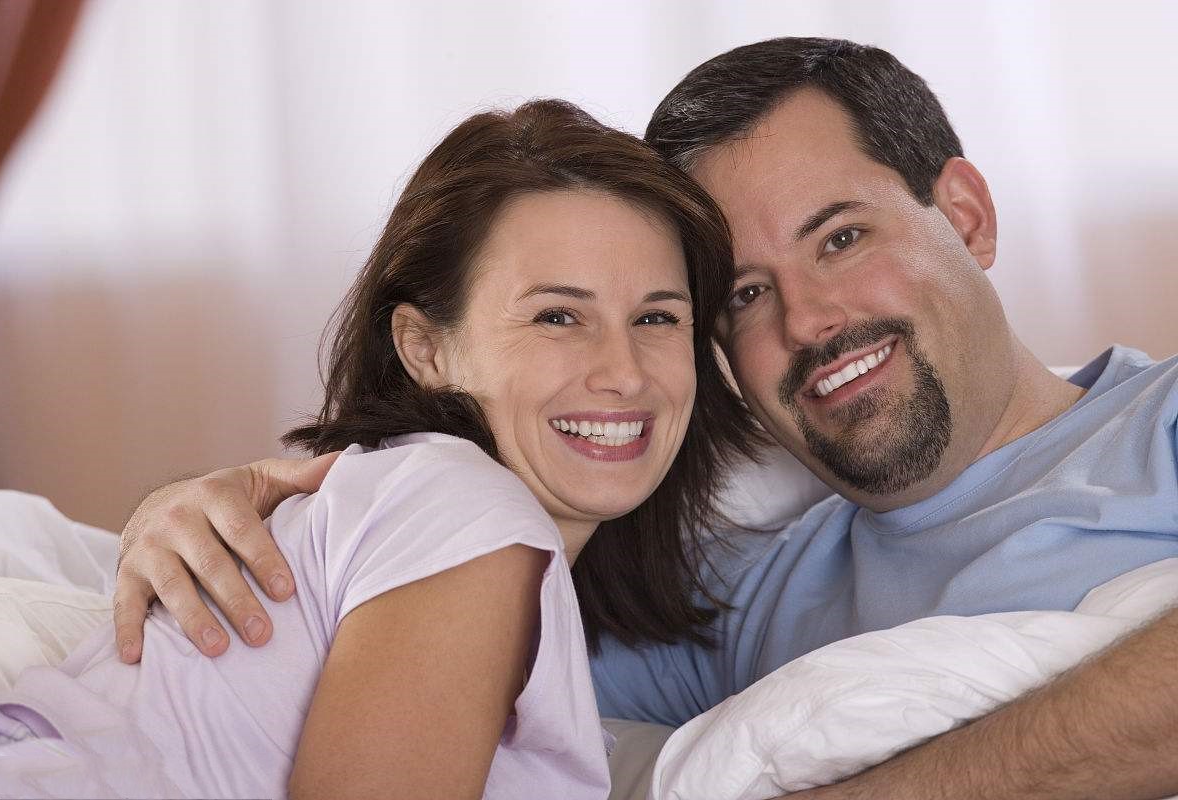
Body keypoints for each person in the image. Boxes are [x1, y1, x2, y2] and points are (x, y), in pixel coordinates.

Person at [112, 39, 1178, 798]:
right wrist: (215, 509)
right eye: (744, 294)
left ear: (967, 216)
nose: (808, 319)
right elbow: (388, 638)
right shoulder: (743, 599)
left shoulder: (1162, 421)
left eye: (841, 238)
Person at [0, 99, 759, 799]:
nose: (624, 372)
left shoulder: (440, 516)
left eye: (656, 318)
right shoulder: (471, 509)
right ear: (426, 349)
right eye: (558, 317)